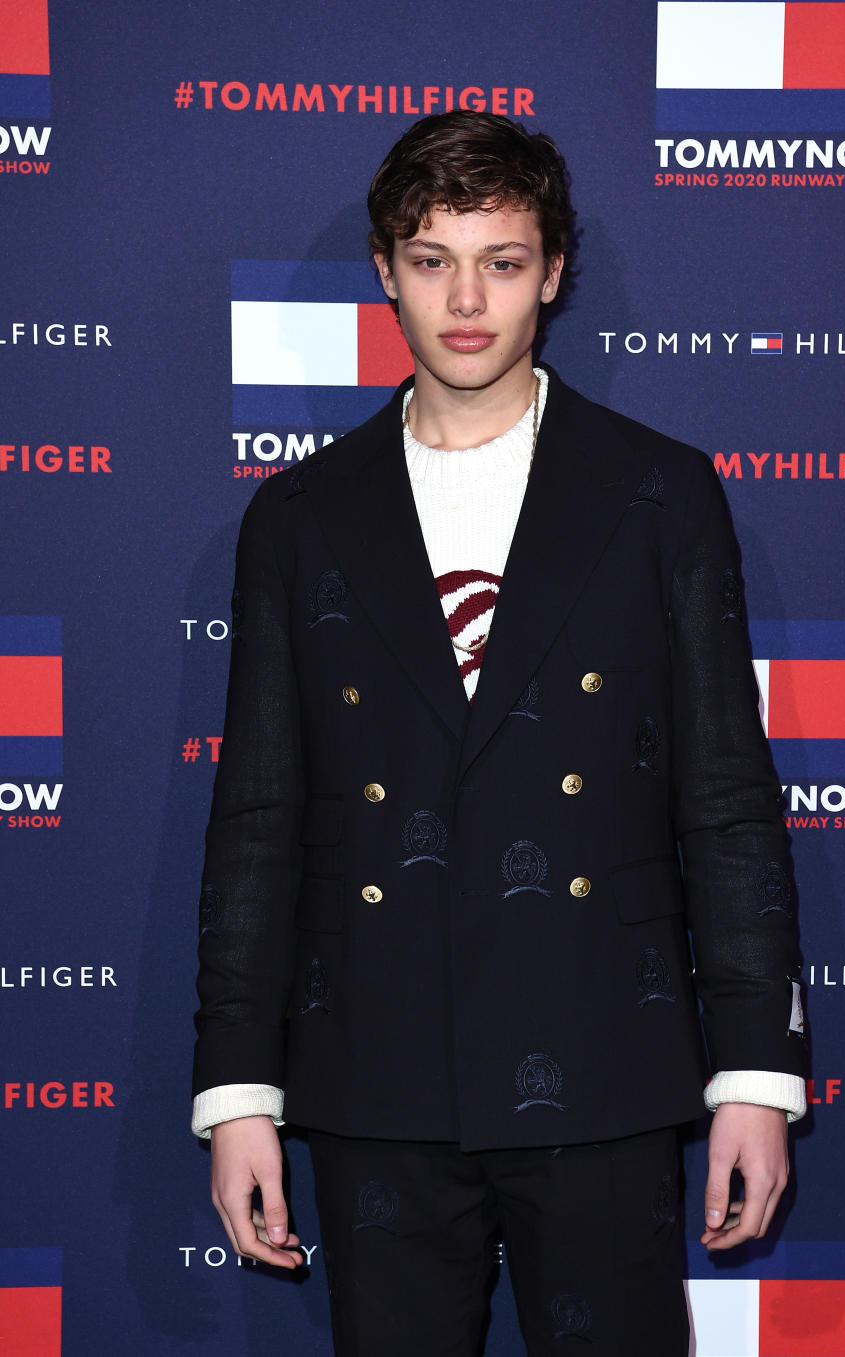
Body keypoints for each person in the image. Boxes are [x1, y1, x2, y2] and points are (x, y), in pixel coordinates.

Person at [192, 110, 806, 1355]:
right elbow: (258, 814)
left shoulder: (657, 494)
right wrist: (239, 1091)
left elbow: (728, 798)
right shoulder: (300, 518)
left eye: (504, 261)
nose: (466, 299)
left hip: (604, 1052)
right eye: (432, 260)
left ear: (554, 272)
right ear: (385, 271)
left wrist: (753, 1073)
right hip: (378, 1064)